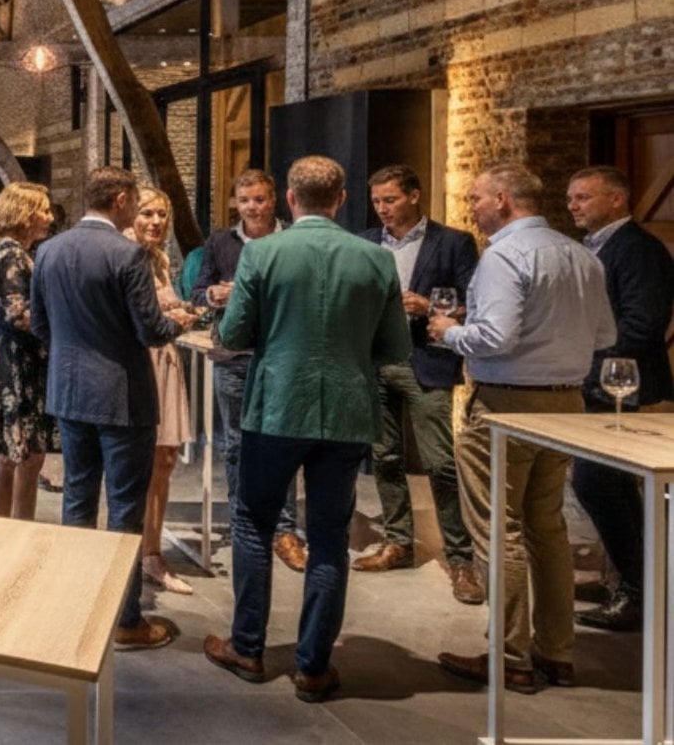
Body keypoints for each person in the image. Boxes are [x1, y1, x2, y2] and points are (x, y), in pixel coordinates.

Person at [202, 157, 411, 704]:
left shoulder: (263, 253)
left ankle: (247, 647)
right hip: (345, 411)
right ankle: (314, 665)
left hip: (276, 408)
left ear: (290, 199)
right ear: (342, 199)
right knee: (328, 536)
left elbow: (236, 332)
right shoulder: (376, 259)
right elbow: (395, 349)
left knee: (252, 522)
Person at [431, 164, 616, 693]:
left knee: (499, 528)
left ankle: (510, 655)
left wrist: (449, 331)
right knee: (547, 526)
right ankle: (556, 653)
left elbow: (495, 337)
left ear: (505, 200)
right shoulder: (582, 254)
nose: (473, 207)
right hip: (567, 402)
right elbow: (605, 333)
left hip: (507, 404)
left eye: (478, 198)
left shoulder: (505, 256)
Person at [30, 166, 191, 650]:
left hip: (70, 392)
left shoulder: (50, 250)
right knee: (125, 508)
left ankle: (76, 605)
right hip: (123, 396)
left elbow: (41, 325)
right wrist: (180, 322)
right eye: (136, 200)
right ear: (120, 200)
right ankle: (125, 619)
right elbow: (149, 330)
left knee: (77, 500)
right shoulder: (127, 254)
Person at [354, 165, 482, 604]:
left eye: (390, 199)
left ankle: (461, 558)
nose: (382, 209)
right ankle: (398, 541)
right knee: (384, 455)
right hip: (375, 359)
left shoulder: (453, 242)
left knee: (440, 462)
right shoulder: (367, 242)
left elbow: (474, 302)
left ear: (414, 195)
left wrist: (428, 305)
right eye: (376, 202)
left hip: (425, 360)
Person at [566, 165, 674, 632]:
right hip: (598, 388)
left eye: (583, 197)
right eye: (571, 198)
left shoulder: (639, 251)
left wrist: (587, 361)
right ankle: (625, 578)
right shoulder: (593, 248)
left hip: (630, 391)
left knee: (600, 484)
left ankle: (639, 590)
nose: (572, 205)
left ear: (616, 200)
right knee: (598, 485)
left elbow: (642, 326)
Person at [196, 169, 305, 571]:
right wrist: (212, 294)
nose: (253, 207)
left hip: (281, 357)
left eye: (259, 199)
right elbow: (198, 291)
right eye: (245, 201)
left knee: (282, 441)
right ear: (235, 204)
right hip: (234, 358)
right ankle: (246, 522)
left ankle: (284, 527)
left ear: (274, 198)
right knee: (236, 445)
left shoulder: (293, 239)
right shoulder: (220, 242)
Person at [0, 182, 54, 520]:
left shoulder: (13, 251)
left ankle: (18, 528)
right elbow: (19, 314)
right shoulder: (11, 254)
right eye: (43, 210)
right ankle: (10, 531)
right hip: (13, 361)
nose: (48, 217)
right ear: (25, 213)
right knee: (14, 453)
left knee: (25, 454)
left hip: (16, 358)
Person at [130, 187, 195, 594]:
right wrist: (175, 317)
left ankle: (152, 551)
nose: (156, 222)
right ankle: (138, 552)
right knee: (139, 463)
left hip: (166, 362)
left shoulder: (160, 260)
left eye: (161, 214)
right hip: (142, 365)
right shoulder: (127, 257)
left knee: (165, 458)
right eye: (147, 214)